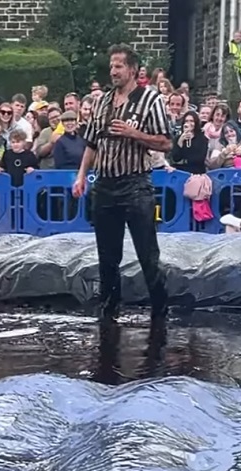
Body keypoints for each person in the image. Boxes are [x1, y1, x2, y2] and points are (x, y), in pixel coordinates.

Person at [72, 44, 173, 321]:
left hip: (136, 184)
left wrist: (134, 133)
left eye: (118, 66)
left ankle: (160, 313)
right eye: (111, 66)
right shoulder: (103, 101)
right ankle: (109, 313)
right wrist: (81, 175)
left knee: (147, 256)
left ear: (132, 70)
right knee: (107, 258)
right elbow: (91, 143)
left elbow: (165, 142)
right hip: (105, 185)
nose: (113, 71)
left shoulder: (150, 100)